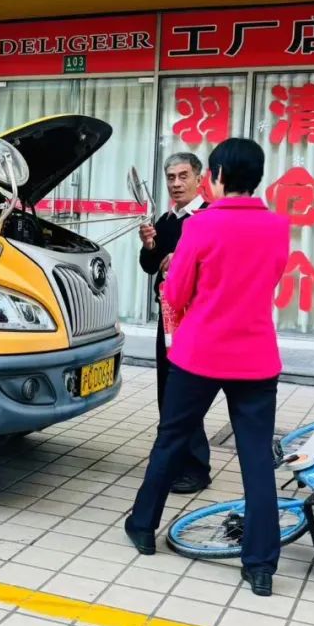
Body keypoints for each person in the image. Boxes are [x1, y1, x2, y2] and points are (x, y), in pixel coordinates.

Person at [124, 137, 290, 598]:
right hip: (256, 357)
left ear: (213, 176)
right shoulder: (278, 226)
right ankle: (260, 565)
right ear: (257, 177)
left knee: (171, 439)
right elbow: (270, 281)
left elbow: (175, 294)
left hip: (198, 354)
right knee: (257, 460)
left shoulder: (202, 226)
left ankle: (142, 527)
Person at [138, 152, 211, 494]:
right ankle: (173, 460)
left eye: (183, 176)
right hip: (167, 319)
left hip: (196, 320)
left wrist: (181, 259)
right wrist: (150, 245)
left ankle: (196, 468)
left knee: (187, 393)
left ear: (200, 178)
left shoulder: (210, 218)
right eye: (171, 177)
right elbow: (151, 267)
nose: (176, 183)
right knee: (167, 391)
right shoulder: (167, 220)